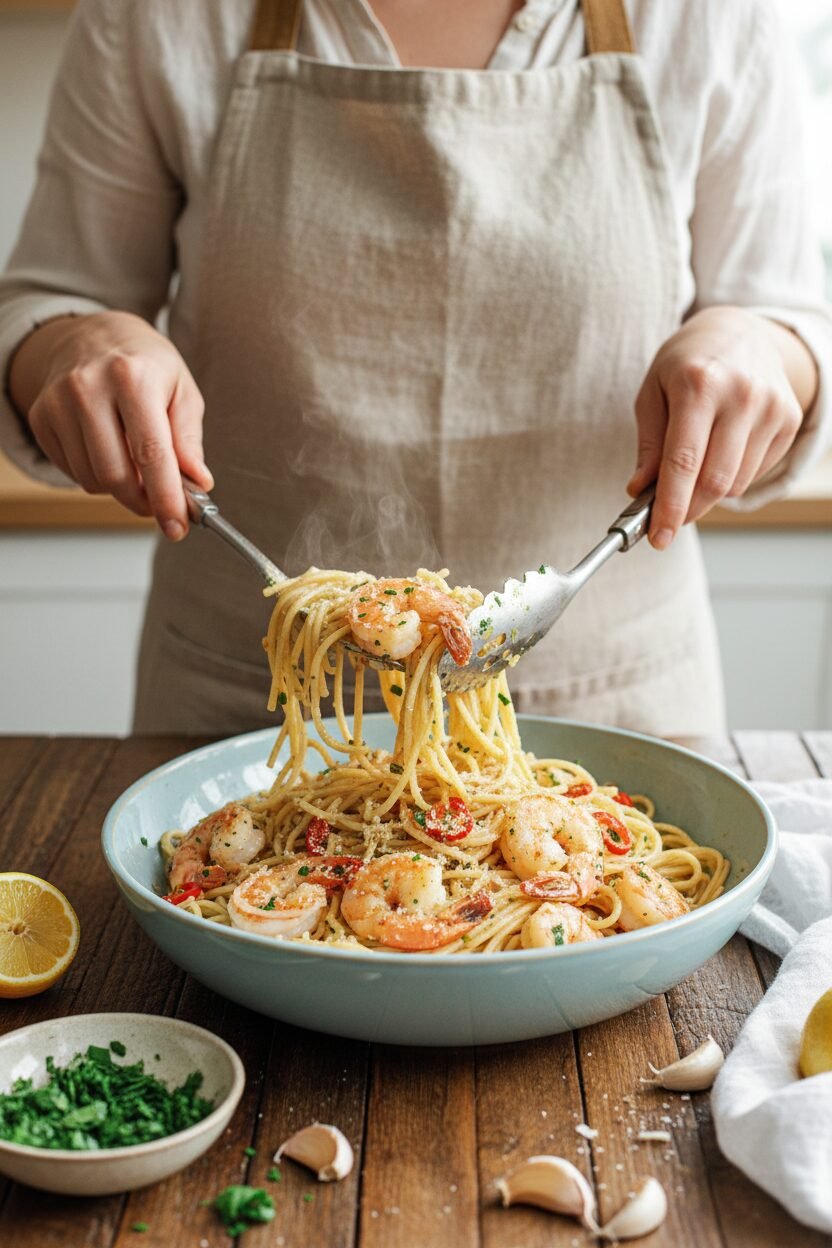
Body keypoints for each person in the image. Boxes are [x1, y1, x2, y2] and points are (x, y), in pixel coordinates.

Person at [0, 0, 829, 736]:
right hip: (243, 710)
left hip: (615, 705)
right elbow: (47, 303)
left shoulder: (712, 16)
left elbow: (793, 324)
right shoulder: (152, 15)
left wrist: (759, 349)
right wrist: (78, 343)